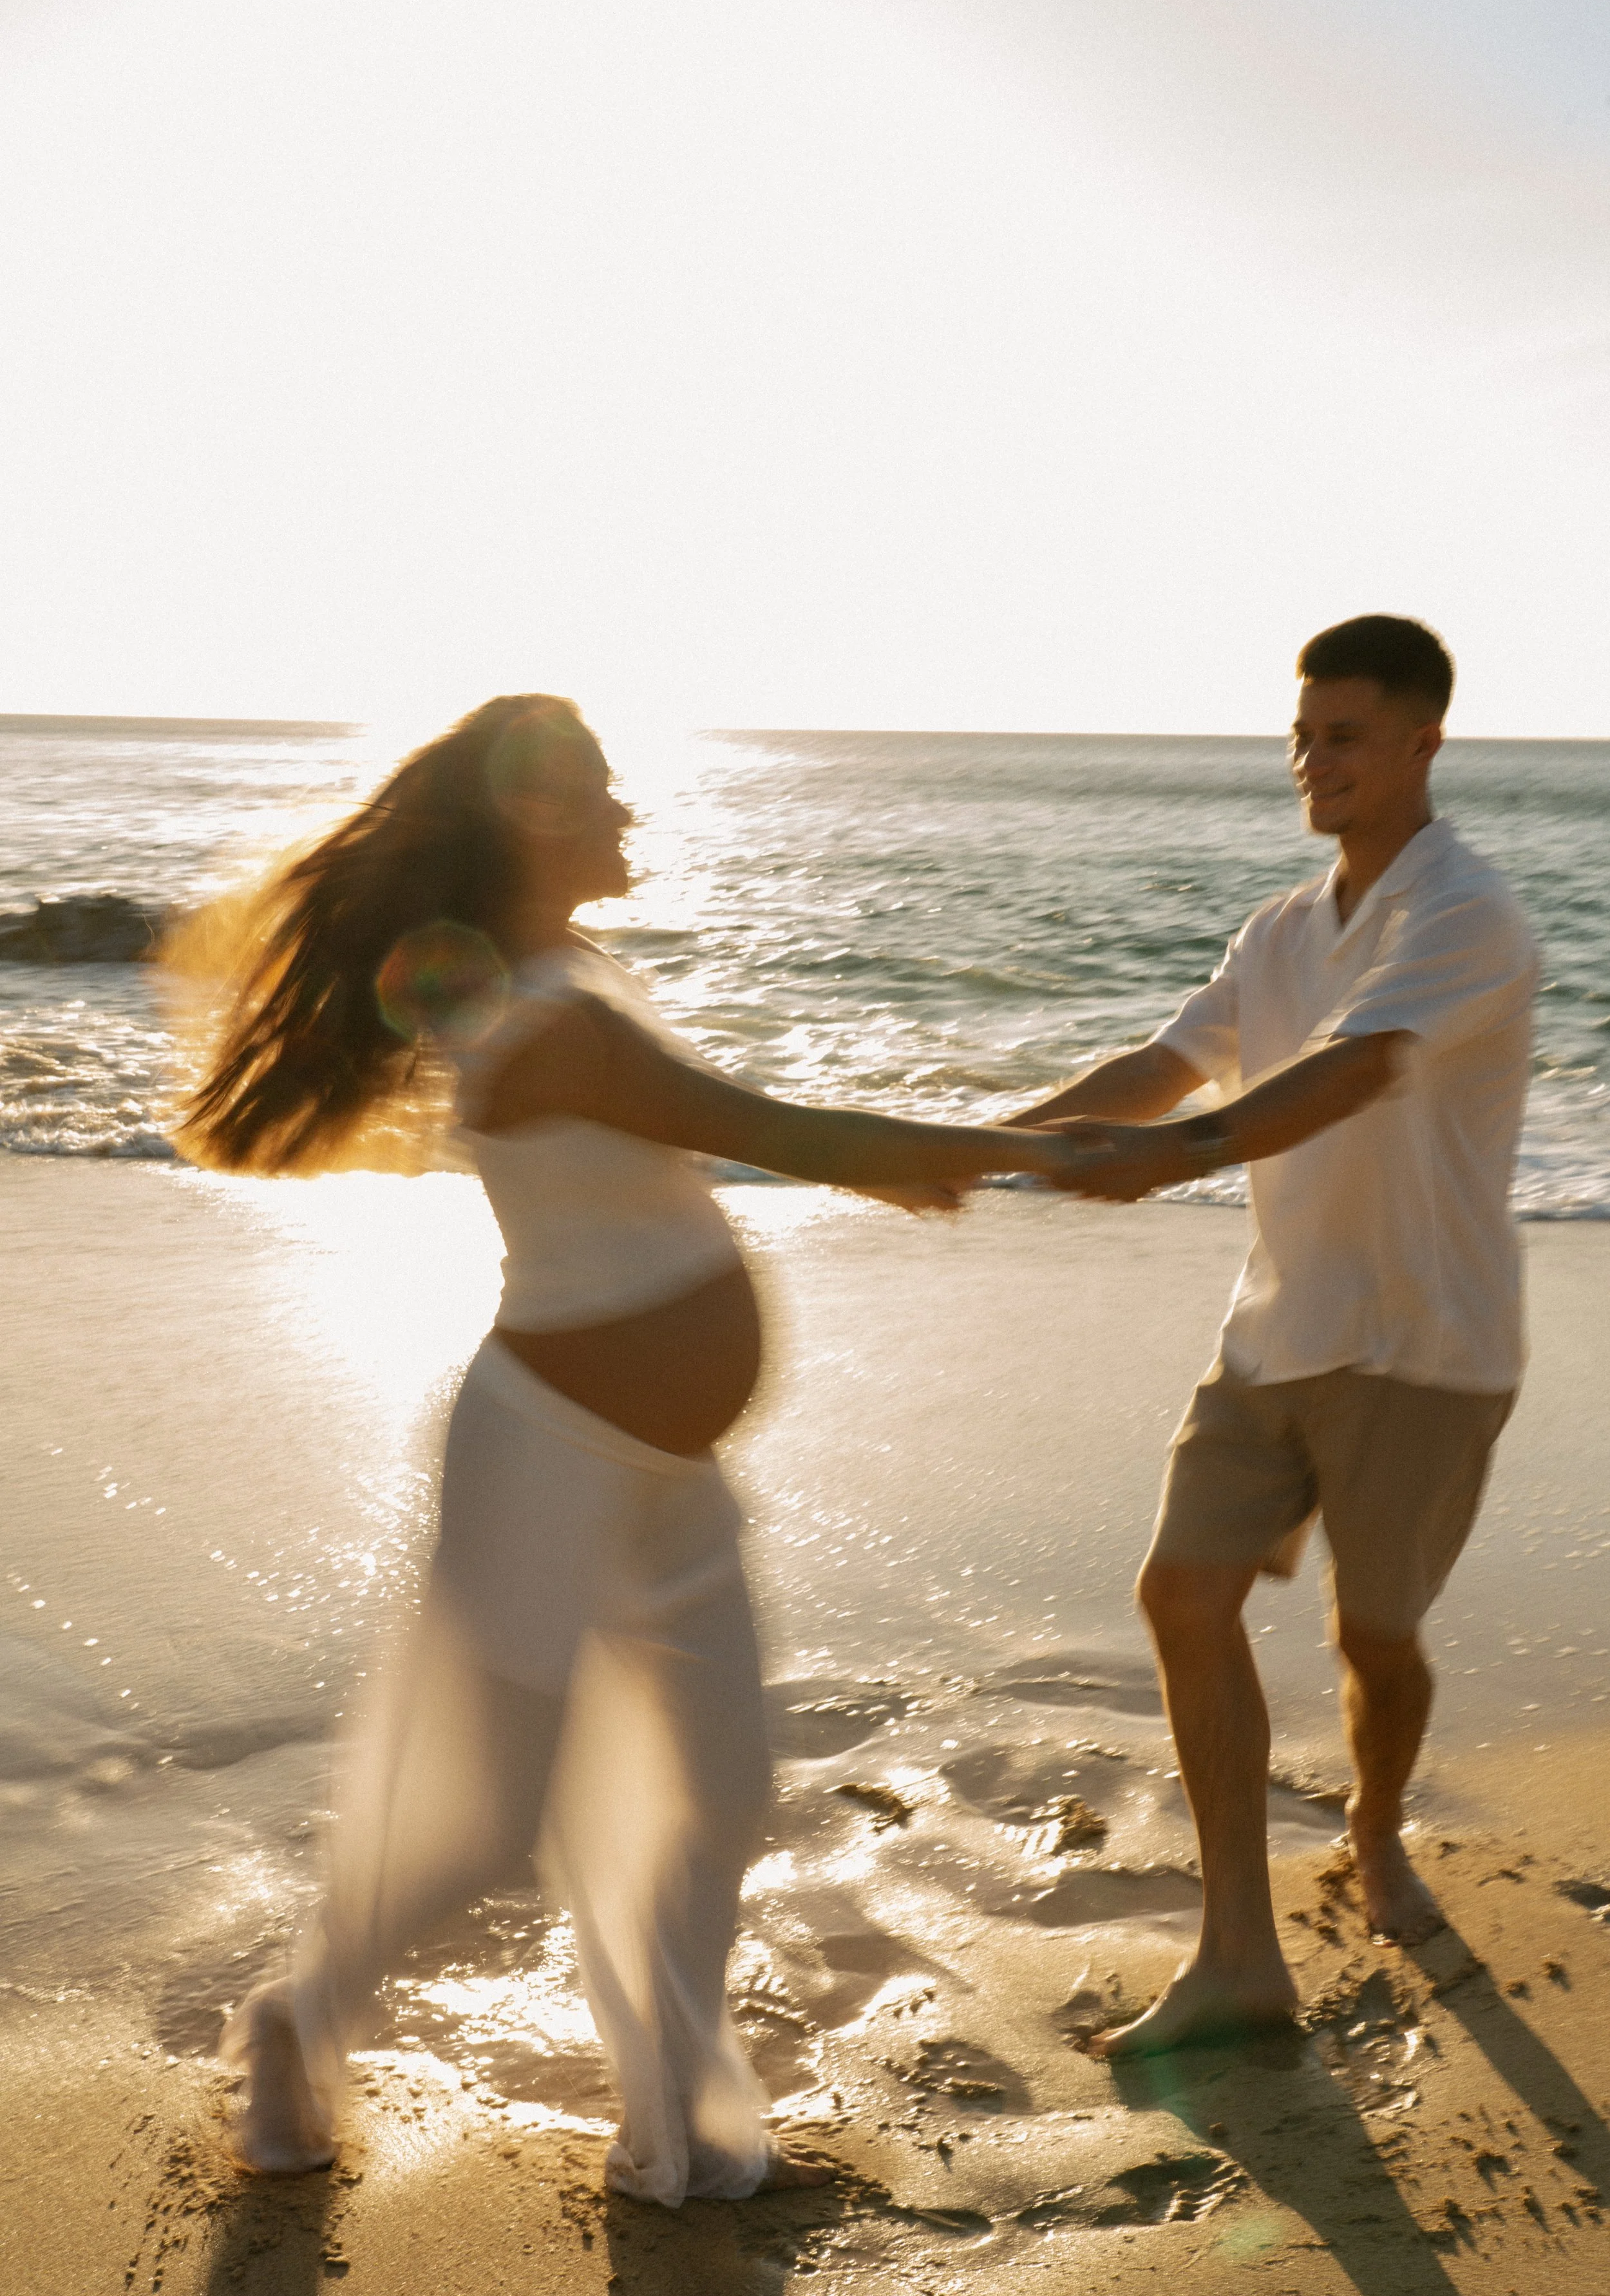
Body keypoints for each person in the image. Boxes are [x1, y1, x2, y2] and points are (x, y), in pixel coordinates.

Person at [179, 693, 1090, 2197]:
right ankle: (295, 2022)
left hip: (665, 1478)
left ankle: (676, 2137)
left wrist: (978, 1152)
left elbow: (767, 1145)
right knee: (475, 1822)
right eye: (603, 791)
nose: (629, 815)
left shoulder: (576, 978)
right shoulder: (552, 1024)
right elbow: (790, 1133)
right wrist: (1055, 1150)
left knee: (719, 1788)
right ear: (536, 810)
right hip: (544, 1459)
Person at [1017, 616, 1537, 2055]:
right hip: (1273, 1334)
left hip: (1421, 1347)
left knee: (1372, 1635)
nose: (1313, 761)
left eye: (1346, 735)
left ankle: (1374, 1824)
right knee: (1182, 1594)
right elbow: (1170, 1061)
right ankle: (1237, 1955)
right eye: (1301, 734)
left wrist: (1174, 1158)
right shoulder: (1276, 929)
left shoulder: (1465, 915)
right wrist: (979, 1137)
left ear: (1424, 740)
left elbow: (1356, 1068)